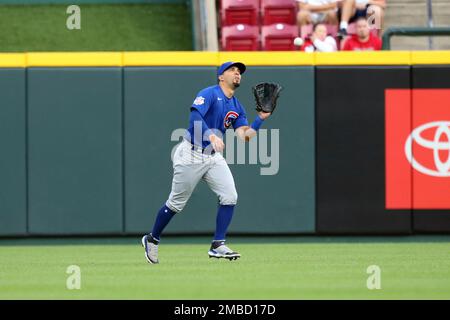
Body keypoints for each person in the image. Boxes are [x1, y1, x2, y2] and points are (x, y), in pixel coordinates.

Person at [141, 61, 272, 264]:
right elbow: (195, 116)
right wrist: (211, 135)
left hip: (212, 157)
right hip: (190, 153)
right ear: (221, 76)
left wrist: (261, 119)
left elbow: (245, 136)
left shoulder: (237, 106)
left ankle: (218, 244)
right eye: (232, 70)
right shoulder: (209, 93)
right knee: (176, 203)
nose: (237, 74)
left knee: (230, 196)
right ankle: (152, 239)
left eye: (239, 72)